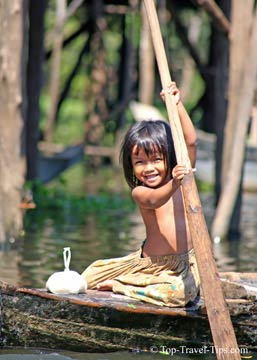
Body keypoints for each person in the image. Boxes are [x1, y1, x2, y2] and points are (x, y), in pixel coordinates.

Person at [81, 82, 200, 307]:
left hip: (180, 268)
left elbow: (191, 142)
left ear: (169, 157)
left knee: (179, 295)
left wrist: (177, 105)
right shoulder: (141, 191)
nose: (149, 168)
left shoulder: (183, 177)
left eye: (156, 160)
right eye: (140, 162)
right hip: (147, 264)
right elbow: (157, 200)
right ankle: (128, 280)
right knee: (90, 275)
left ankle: (122, 285)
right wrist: (175, 182)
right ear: (131, 165)